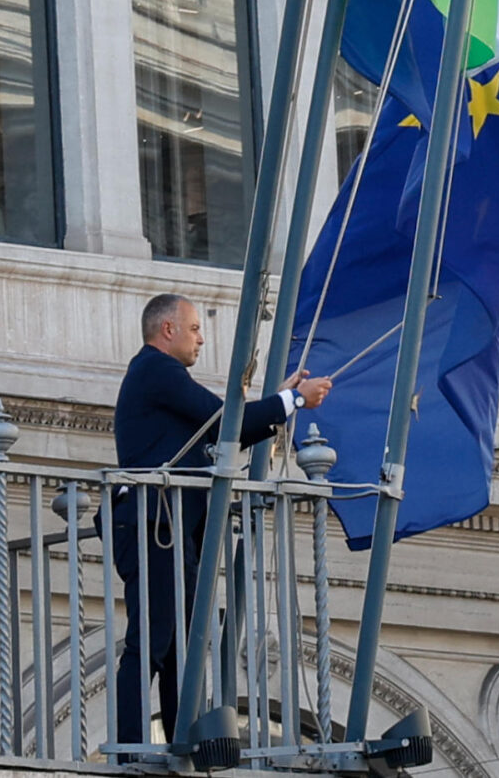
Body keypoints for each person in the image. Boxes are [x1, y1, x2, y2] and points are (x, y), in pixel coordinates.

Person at [110, 293, 331, 750]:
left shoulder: (158, 375)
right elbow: (224, 422)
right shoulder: (156, 369)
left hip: (170, 529)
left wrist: (278, 402)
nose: (201, 339)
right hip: (156, 525)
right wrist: (291, 400)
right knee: (152, 641)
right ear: (167, 330)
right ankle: (132, 745)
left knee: (179, 651)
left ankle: (179, 741)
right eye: (193, 329)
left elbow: (227, 429)